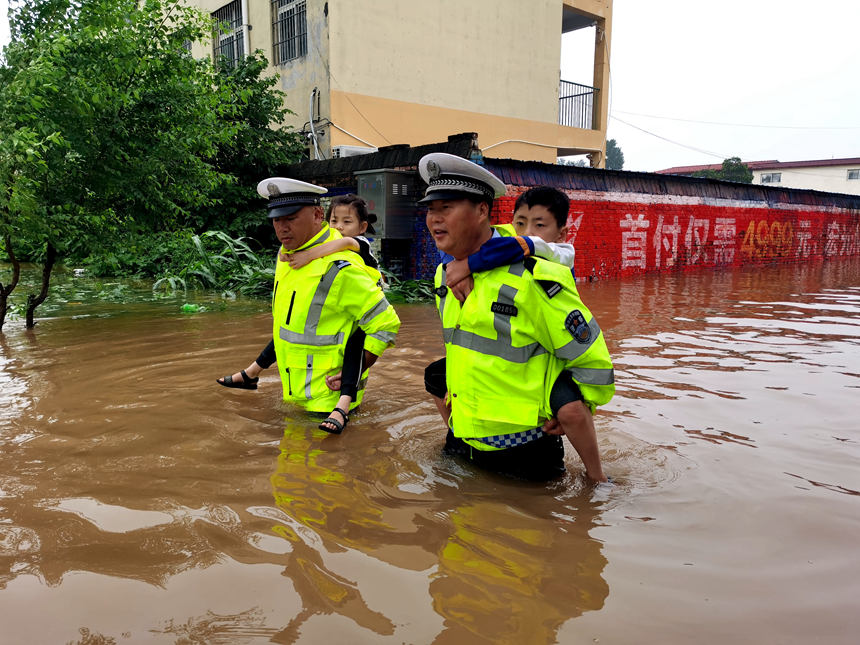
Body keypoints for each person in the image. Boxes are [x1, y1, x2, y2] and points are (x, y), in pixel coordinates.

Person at [420, 153, 615, 482]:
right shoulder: (445, 274)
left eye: (446, 208)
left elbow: (591, 358)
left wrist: (578, 407)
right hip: (461, 443)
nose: (434, 219)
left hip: (525, 455)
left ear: (482, 210)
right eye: (430, 209)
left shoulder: (533, 277)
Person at [219, 178, 400, 432]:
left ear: (317, 215)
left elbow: (386, 324)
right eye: (276, 219)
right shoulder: (286, 256)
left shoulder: (340, 268)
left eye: (290, 218)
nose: (281, 227)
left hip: (328, 402)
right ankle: (251, 373)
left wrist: (358, 370)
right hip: (295, 396)